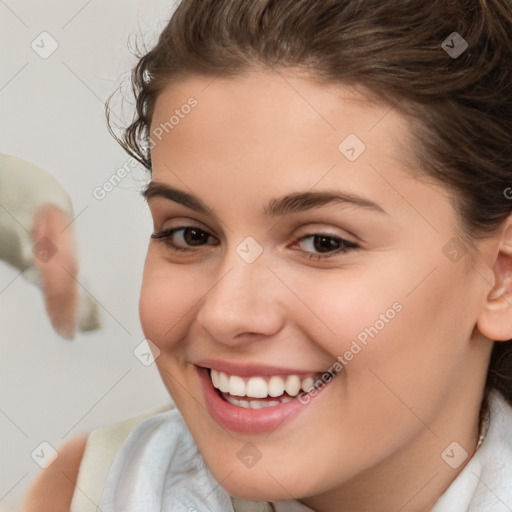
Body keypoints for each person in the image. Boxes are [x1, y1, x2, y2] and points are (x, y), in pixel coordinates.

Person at [22, 0, 512, 510]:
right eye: (190, 235)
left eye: (324, 242)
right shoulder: (83, 490)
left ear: (500, 278)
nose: (225, 313)